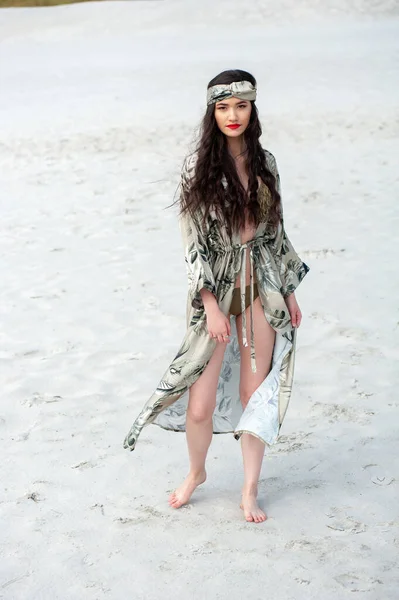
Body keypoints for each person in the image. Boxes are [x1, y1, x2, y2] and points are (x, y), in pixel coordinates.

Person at [123, 69, 310, 523]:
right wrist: (208, 303)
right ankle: (197, 472)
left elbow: (276, 233)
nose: (233, 115)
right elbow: (193, 245)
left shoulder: (267, 162)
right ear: (212, 112)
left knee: (254, 394)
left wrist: (288, 291)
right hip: (217, 290)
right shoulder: (198, 167)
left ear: (252, 109)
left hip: (261, 288)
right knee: (200, 403)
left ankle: (249, 490)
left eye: (241, 105)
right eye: (223, 107)